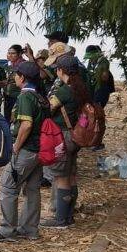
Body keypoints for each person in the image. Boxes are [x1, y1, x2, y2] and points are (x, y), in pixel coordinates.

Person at [0, 61, 47, 243]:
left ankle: (7, 229)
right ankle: (29, 229)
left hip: (27, 149)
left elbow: (27, 124)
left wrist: (16, 146)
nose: (14, 77)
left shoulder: (25, 98)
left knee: (8, 186)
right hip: (39, 150)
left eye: (16, 74)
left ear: (22, 78)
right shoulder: (41, 97)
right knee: (32, 189)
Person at [40, 55, 89, 230]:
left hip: (63, 137)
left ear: (62, 71)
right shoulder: (82, 88)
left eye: (57, 69)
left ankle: (60, 219)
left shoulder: (64, 91)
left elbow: (48, 108)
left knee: (61, 177)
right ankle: (68, 216)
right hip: (76, 136)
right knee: (71, 175)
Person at [2, 45, 24, 122]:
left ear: (20, 54)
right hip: (7, 97)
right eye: (9, 53)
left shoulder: (23, 65)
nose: (10, 55)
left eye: (13, 53)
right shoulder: (7, 66)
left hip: (18, 97)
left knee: (15, 120)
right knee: (7, 120)